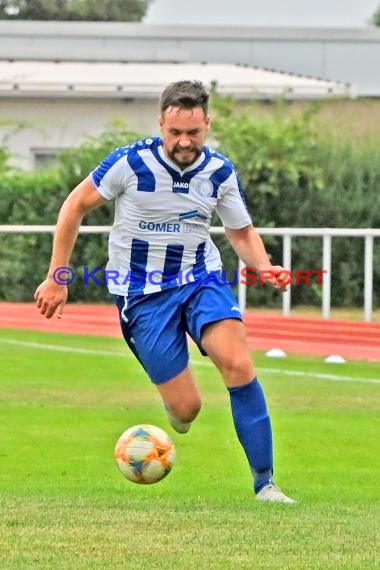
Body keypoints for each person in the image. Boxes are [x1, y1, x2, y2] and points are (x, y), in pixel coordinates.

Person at [34, 80, 296, 504]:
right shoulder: (129, 163)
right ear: (161, 123)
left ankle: (265, 483)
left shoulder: (218, 172)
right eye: (175, 132)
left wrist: (263, 267)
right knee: (186, 409)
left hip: (200, 279)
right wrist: (56, 277)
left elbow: (240, 230)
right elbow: (74, 206)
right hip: (141, 296)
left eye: (193, 132)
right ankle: (178, 411)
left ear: (207, 124)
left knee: (239, 364)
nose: (184, 141)